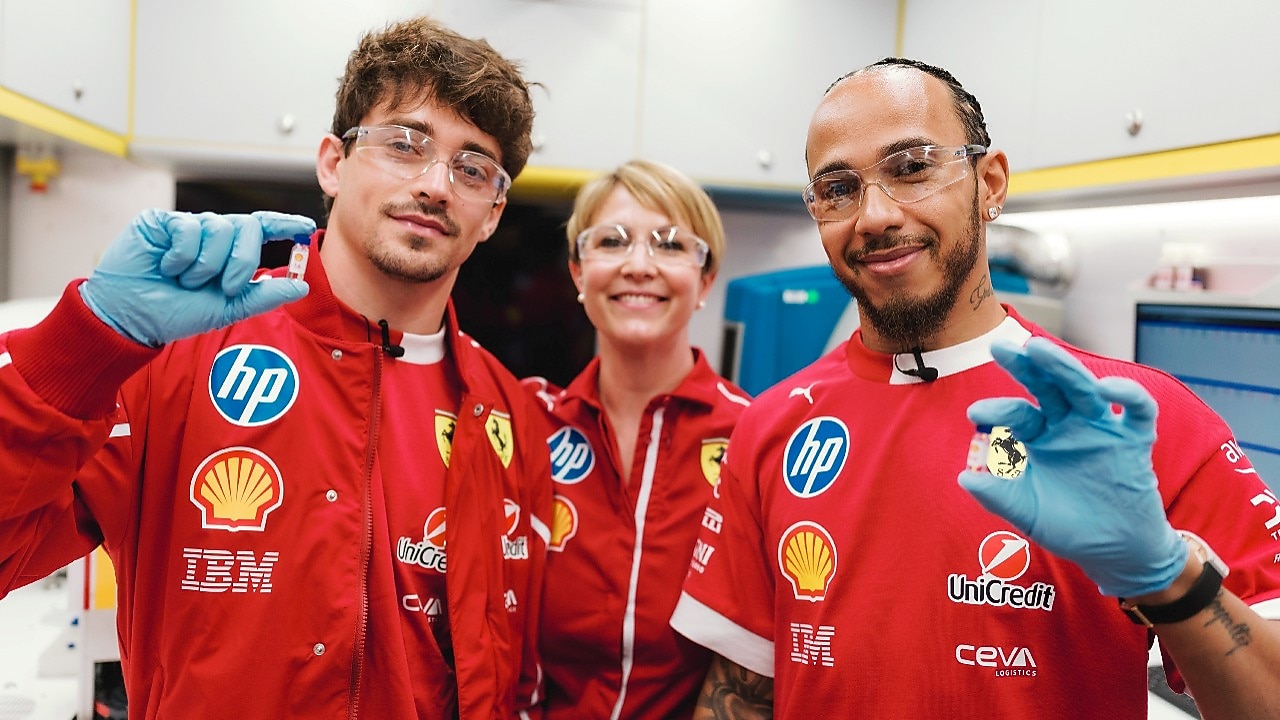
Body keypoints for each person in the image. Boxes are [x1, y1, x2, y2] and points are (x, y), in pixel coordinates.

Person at [670, 57, 1280, 719]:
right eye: (838, 187)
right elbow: (740, 693)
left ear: (990, 184)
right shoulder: (772, 427)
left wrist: (1167, 574)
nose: (873, 215)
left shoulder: (1137, 421)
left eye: (911, 167)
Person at [0, 16, 553, 719]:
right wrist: (84, 342)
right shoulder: (177, 359)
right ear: (332, 162)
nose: (437, 184)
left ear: (494, 211)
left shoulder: (509, 414)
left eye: (472, 167)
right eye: (405, 144)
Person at [522, 159, 751, 719]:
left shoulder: (754, 438)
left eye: (671, 245)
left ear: (704, 280)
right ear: (578, 273)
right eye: (613, 241)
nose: (639, 265)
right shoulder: (528, 424)